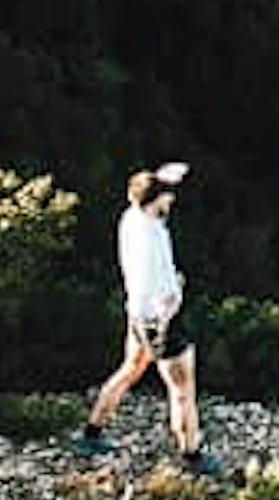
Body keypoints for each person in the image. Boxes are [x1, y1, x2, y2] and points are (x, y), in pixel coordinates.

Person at [78, 162, 216, 471]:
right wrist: (169, 307)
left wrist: (161, 179)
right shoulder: (151, 239)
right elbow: (153, 285)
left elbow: (147, 192)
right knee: (182, 391)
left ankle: (91, 433)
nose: (172, 201)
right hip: (160, 320)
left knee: (130, 368)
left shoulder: (132, 218)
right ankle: (192, 454)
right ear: (155, 202)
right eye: (167, 197)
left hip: (137, 316)